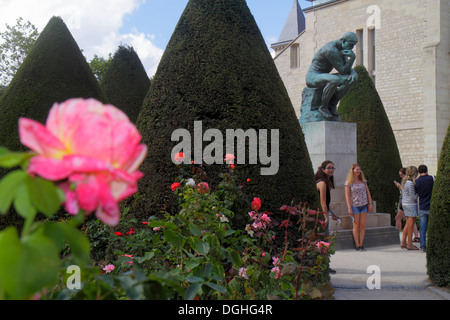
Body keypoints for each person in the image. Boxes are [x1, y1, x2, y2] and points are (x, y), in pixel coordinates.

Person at [305, 32, 359, 120]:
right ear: (343, 41)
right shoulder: (331, 49)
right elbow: (342, 70)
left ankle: (332, 104)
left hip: (324, 76)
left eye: (353, 45)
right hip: (313, 77)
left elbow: (347, 68)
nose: (352, 48)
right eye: (350, 44)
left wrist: (354, 73)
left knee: (351, 79)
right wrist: (352, 59)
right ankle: (323, 108)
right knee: (334, 80)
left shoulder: (341, 49)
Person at [345, 164, 373, 251]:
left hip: (363, 205)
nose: (358, 171)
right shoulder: (348, 183)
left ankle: (361, 244)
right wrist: (349, 208)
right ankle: (357, 244)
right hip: (355, 206)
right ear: (352, 170)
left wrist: (370, 203)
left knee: (362, 226)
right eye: (356, 169)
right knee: (356, 226)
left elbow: (368, 192)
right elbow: (347, 196)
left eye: (359, 169)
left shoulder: (363, 181)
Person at [315, 160, 337, 274]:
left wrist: (332, 212)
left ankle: (324, 265)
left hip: (324, 213)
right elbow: (322, 202)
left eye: (333, 168)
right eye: (329, 168)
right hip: (321, 215)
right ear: (323, 169)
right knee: (324, 240)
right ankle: (323, 266)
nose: (331, 170)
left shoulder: (326, 182)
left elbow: (327, 203)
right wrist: (326, 217)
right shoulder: (322, 183)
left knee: (325, 240)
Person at [394, 168, 419, 240]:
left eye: (401, 175)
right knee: (410, 221)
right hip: (407, 203)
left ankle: (405, 240)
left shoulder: (408, 182)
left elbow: (407, 193)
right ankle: (412, 239)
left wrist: (399, 187)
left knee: (407, 221)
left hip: (406, 202)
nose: (401, 176)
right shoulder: (409, 181)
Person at [415, 165, 434, 252]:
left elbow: (417, 193)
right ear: (427, 170)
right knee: (432, 227)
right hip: (431, 205)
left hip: (422, 206)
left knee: (423, 228)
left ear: (419, 172)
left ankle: (423, 246)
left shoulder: (417, 181)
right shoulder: (431, 179)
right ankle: (432, 245)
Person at [400, 166, 419, 250]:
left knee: (407, 224)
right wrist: (418, 194)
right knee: (411, 224)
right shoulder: (410, 183)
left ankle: (403, 242)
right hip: (411, 204)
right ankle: (409, 244)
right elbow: (413, 197)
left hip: (405, 203)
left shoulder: (404, 181)